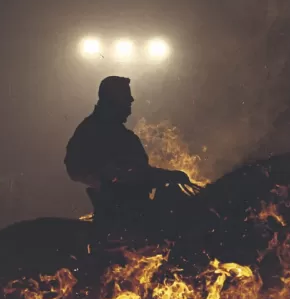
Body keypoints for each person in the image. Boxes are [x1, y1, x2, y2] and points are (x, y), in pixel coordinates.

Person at [64, 76, 200, 231]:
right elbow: (75, 167)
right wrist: (110, 175)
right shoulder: (91, 131)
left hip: (136, 212)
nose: (131, 100)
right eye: (126, 96)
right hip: (122, 220)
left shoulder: (122, 135)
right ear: (113, 100)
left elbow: (141, 172)